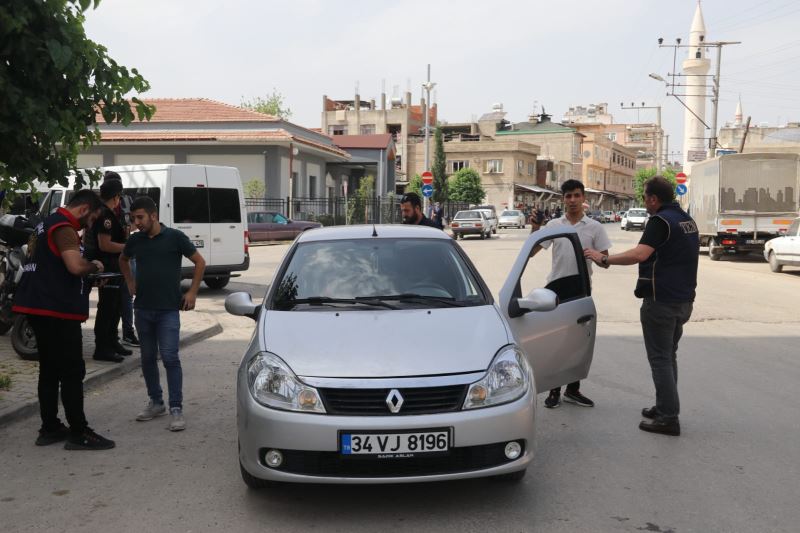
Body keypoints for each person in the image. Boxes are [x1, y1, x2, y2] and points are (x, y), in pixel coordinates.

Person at [584, 176, 699, 437]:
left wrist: (604, 258)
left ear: (653, 199)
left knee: (660, 359)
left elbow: (639, 254)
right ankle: (664, 407)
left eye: (645, 197)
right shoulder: (686, 219)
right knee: (668, 357)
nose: (644, 202)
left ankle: (668, 418)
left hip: (662, 301)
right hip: (683, 301)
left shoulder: (660, 221)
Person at [12, 190, 116, 450]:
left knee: (49, 369)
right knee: (71, 371)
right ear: (84, 210)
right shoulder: (64, 227)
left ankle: (50, 427)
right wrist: (95, 266)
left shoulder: (43, 225)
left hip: (37, 307)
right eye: (91, 219)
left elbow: (51, 266)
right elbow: (74, 267)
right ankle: (79, 432)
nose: (90, 224)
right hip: (56, 309)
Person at [120, 196, 206, 432]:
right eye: (133, 218)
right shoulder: (135, 240)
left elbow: (200, 262)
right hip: (143, 309)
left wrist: (192, 293)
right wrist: (129, 281)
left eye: (140, 217)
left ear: (153, 216)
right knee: (147, 358)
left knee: (169, 358)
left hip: (168, 310)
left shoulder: (174, 237)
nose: (136, 222)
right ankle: (156, 402)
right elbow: (123, 259)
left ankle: (176, 408)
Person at [541, 180, 611, 409]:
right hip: (556, 287)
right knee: (556, 340)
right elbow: (532, 251)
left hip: (581, 289)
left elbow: (605, 261)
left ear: (583, 199)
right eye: (568, 196)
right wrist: (535, 231)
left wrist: (595, 255)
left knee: (579, 341)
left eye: (576, 196)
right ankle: (554, 391)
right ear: (563, 199)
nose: (572, 200)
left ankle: (573, 390)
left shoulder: (594, 227)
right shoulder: (554, 224)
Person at [89, 179, 132, 363]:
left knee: (115, 307)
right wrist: (127, 247)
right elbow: (104, 245)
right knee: (107, 308)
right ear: (115, 196)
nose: (119, 200)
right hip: (108, 267)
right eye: (119, 196)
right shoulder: (105, 216)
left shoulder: (109, 214)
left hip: (115, 267)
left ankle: (113, 342)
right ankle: (102, 347)